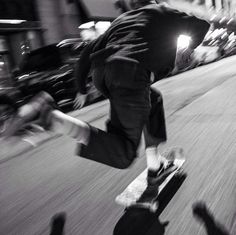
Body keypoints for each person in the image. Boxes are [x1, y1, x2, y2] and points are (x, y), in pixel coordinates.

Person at [3, 0, 210, 204]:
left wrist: (82, 89)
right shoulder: (162, 11)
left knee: (153, 99)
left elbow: (86, 54)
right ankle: (54, 119)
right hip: (130, 72)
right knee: (123, 154)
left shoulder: (122, 20)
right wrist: (188, 49)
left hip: (103, 74)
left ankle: (155, 167)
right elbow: (202, 25)